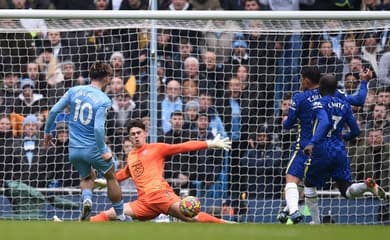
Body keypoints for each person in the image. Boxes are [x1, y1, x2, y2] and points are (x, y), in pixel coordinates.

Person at [90, 119, 232, 223]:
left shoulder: (156, 148)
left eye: (138, 132)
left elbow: (182, 147)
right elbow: (125, 173)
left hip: (161, 195)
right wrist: (107, 181)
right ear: (129, 137)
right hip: (144, 203)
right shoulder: (131, 156)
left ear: (145, 133)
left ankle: (228, 224)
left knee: (192, 217)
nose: (136, 136)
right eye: (132, 134)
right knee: (110, 213)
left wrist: (209, 143)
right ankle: (83, 225)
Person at [278, 66, 371, 224]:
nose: (301, 82)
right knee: (309, 182)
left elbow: (287, 125)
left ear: (306, 80)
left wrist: (285, 119)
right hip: (329, 149)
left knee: (293, 179)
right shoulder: (336, 94)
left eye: (301, 79)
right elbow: (359, 100)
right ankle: (289, 210)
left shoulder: (300, 98)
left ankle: (293, 211)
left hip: (306, 146)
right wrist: (363, 82)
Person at [43, 62, 125, 221]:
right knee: (111, 176)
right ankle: (121, 215)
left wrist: (47, 132)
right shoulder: (104, 100)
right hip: (93, 148)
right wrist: (103, 150)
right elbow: (98, 129)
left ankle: (87, 199)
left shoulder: (74, 91)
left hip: (74, 150)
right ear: (107, 78)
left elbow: (53, 111)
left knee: (86, 177)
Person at [303, 74, 386, 222]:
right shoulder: (344, 104)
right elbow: (355, 131)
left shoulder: (318, 103)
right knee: (347, 190)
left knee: (309, 185)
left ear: (321, 88)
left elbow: (324, 123)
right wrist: (364, 81)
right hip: (339, 150)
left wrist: (313, 142)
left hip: (322, 149)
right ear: (336, 88)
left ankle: (315, 223)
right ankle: (366, 186)